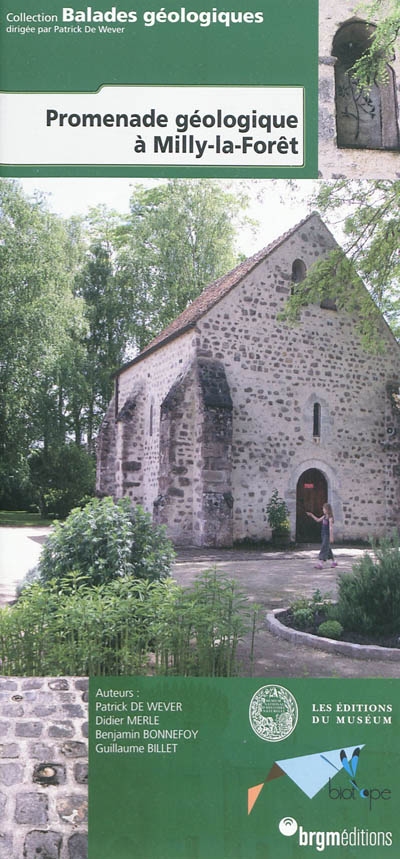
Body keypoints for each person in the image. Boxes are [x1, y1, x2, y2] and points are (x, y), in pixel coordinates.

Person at [307, 503, 338, 569]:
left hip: (327, 535)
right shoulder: (324, 516)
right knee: (327, 548)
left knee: (324, 548)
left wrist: (331, 537)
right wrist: (311, 515)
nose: (323, 510)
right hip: (323, 534)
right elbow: (317, 520)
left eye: (323, 509)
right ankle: (334, 562)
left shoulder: (330, 518)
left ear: (327, 509)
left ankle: (320, 563)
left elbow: (330, 528)